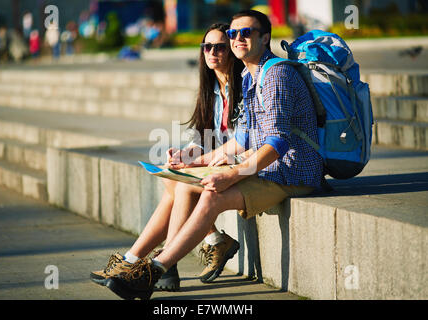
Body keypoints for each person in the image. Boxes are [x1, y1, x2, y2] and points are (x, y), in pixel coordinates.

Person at [102, 9, 323, 300]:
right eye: (234, 33)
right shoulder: (248, 75)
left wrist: (233, 173)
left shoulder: (276, 75)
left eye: (247, 32)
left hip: (292, 172)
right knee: (188, 179)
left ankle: (155, 268)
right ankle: (156, 264)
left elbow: (278, 142)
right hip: (268, 169)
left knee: (211, 194)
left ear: (265, 37)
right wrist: (198, 161)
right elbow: (243, 138)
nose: (238, 38)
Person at [90, 22, 245, 291]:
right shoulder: (212, 89)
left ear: (232, 51)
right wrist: (186, 154)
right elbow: (205, 138)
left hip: (243, 165)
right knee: (170, 174)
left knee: (181, 186)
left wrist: (201, 160)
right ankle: (168, 256)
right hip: (220, 161)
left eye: (220, 47)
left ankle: (148, 261)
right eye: (207, 47)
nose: (212, 52)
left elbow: (243, 142)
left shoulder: (243, 88)